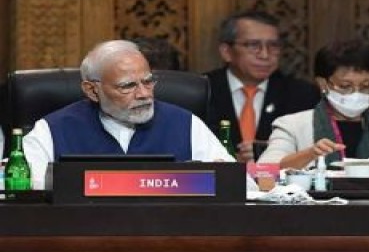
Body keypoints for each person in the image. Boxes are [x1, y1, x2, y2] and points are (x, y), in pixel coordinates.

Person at [24, 40, 235, 189]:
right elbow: (23, 186)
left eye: (148, 81)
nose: (144, 94)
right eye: (128, 86)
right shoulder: (53, 129)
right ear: (92, 90)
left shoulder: (185, 124)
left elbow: (236, 183)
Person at [259, 40, 369, 171]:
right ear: (323, 84)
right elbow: (264, 171)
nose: (356, 93)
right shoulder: (292, 126)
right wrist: (309, 154)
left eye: (366, 86)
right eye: (345, 86)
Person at [204, 11, 320, 162]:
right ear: (227, 52)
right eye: (253, 45)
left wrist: (271, 152)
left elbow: (312, 148)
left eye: (273, 46)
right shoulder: (202, 90)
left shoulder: (302, 94)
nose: (265, 55)